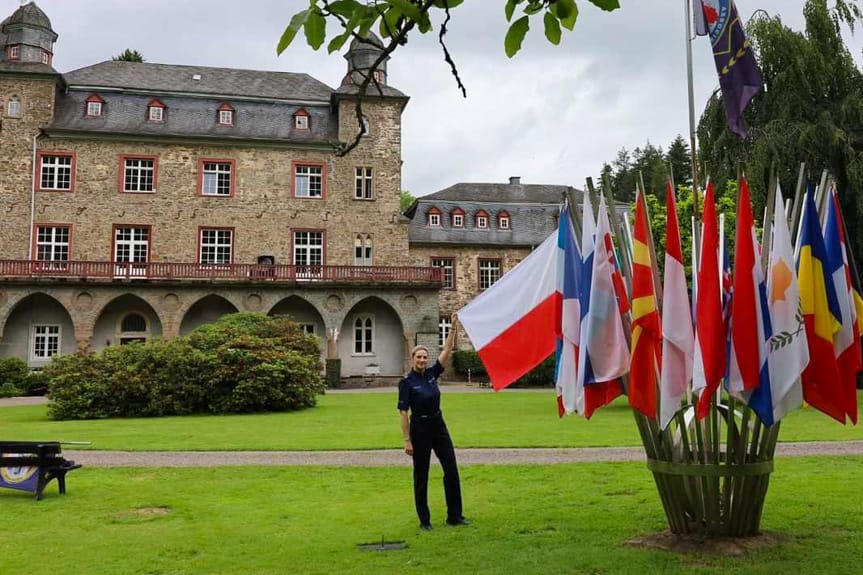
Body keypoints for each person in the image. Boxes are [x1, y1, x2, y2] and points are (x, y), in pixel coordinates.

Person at [397, 317, 469, 531]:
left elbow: (446, 351)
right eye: (419, 357)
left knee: (451, 468)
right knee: (422, 474)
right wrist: (407, 440)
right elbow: (403, 413)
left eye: (425, 357)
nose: (422, 360)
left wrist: (454, 328)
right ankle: (425, 520)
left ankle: (454, 516)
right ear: (412, 359)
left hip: (439, 425)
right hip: (419, 427)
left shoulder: (431, 375)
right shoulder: (406, 382)